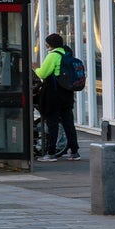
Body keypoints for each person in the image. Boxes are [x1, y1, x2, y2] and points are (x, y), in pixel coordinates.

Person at [33, 32, 81, 162]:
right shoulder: (67, 54)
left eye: (47, 42)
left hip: (54, 95)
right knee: (68, 123)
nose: (45, 44)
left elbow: (43, 74)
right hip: (67, 94)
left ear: (50, 44)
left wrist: (35, 69)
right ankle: (75, 152)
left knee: (52, 124)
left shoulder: (53, 56)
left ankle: (51, 153)